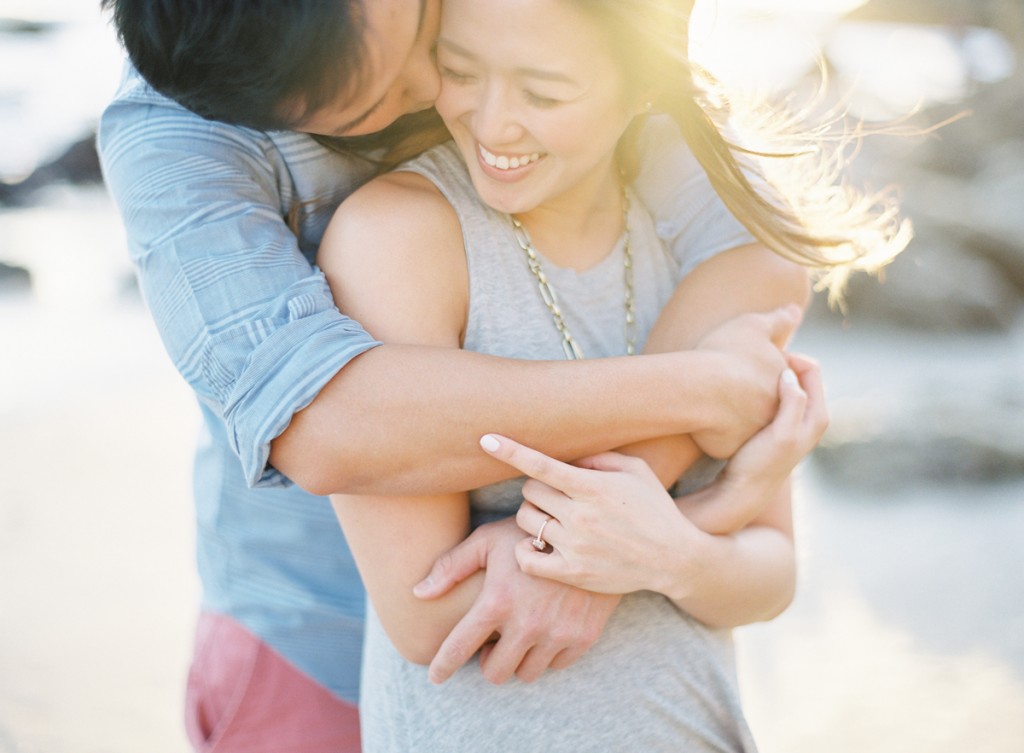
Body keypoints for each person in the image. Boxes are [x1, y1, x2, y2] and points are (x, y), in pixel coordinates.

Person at [96, 0, 855, 750]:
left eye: (429, 59)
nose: (437, 96)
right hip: (309, 640)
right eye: (380, 101)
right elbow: (329, 429)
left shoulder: (541, 56)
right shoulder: (182, 135)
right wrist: (700, 394)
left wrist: (625, 531)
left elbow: (758, 253)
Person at [315, 0, 906, 750]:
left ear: (645, 88)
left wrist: (669, 550)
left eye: (545, 92)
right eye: (460, 70)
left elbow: (772, 574)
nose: (493, 123)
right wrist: (723, 500)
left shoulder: (700, 252)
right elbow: (429, 618)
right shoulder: (398, 239)